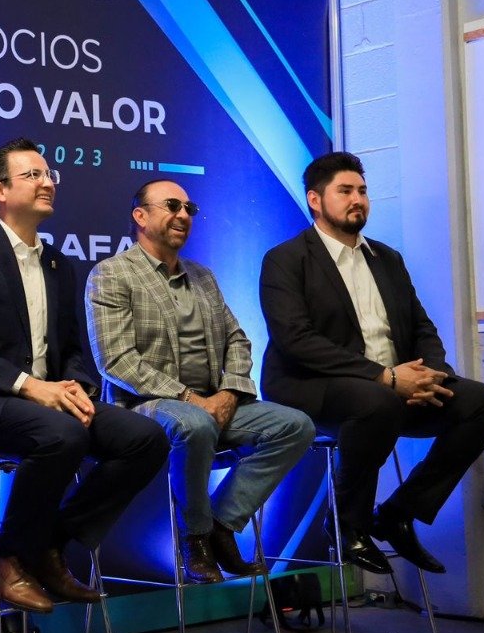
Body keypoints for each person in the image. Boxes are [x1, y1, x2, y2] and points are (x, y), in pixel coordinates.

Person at [0, 137, 169, 613]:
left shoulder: (58, 263)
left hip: (45, 400)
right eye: (32, 174)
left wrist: (77, 387)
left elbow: (71, 349)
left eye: (49, 173)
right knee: (61, 434)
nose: (46, 181)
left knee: (146, 439)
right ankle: (9, 557)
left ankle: (49, 544)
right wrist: (30, 386)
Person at [259, 151, 484, 574]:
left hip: (391, 388)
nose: (357, 199)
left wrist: (432, 374)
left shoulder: (387, 258)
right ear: (315, 200)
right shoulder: (286, 259)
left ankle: (398, 512)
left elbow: (421, 325)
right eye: (345, 191)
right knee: (377, 402)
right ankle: (347, 523)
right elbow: (296, 340)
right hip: (311, 385)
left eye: (362, 191)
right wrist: (386, 377)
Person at [85, 179, 314, 583]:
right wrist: (191, 398)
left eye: (189, 209)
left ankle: (221, 526)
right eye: (172, 205)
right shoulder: (112, 274)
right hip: (143, 405)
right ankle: (195, 538)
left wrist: (229, 391)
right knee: (196, 424)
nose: (183, 215)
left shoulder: (203, 276)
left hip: (214, 401)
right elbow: (117, 361)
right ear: (140, 216)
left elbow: (237, 339)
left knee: (296, 426)